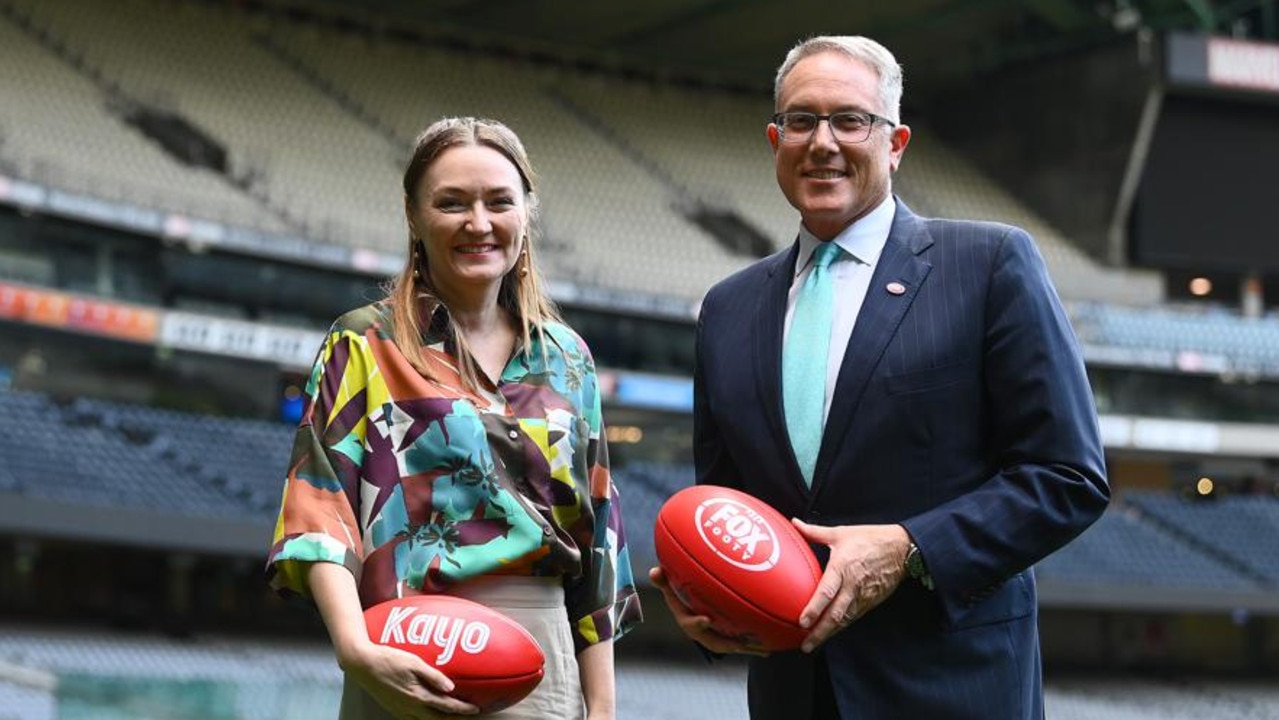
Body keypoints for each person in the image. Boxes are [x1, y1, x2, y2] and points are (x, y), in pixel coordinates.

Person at [651, 36, 1109, 719]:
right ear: (775, 140)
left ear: (894, 142)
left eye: (849, 120)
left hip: (952, 690)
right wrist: (704, 598)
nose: (822, 142)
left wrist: (908, 549)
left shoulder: (988, 266)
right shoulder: (725, 308)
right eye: (801, 121)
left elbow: (1068, 476)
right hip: (792, 694)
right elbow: (726, 506)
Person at [267, 117, 641, 720]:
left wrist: (602, 709)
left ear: (527, 212)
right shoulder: (364, 343)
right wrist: (355, 651)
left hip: (541, 662)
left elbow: (599, 537)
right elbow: (318, 508)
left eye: (499, 201)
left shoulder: (568, 359)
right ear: (414, 215)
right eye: (452, 203)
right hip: (404, 651)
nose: (479, 223)